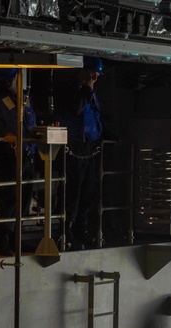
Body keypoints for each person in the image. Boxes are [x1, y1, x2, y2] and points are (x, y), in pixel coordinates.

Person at [60, 56, 104, 249]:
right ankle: (66, 230)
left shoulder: (91, 93)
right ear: (84, 72)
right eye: (92, 75)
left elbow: (95, 115)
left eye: (97, 77)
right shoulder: (71, 89)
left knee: (88, 190)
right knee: (73, 191)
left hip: (89, 146)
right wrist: (87, 89)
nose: (94, 80)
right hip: (74, 146)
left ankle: (81, 228)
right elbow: (76, 109)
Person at [0, 69, 37, 255]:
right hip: (8, 155)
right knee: (9, 198)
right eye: (2, 82)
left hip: (28, 153)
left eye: (9, 80)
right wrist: (6, 134)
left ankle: (16, 238)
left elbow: (30, 122)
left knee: (25, 197)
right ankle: (3, 239)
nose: (6, 85)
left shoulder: (25, 99)